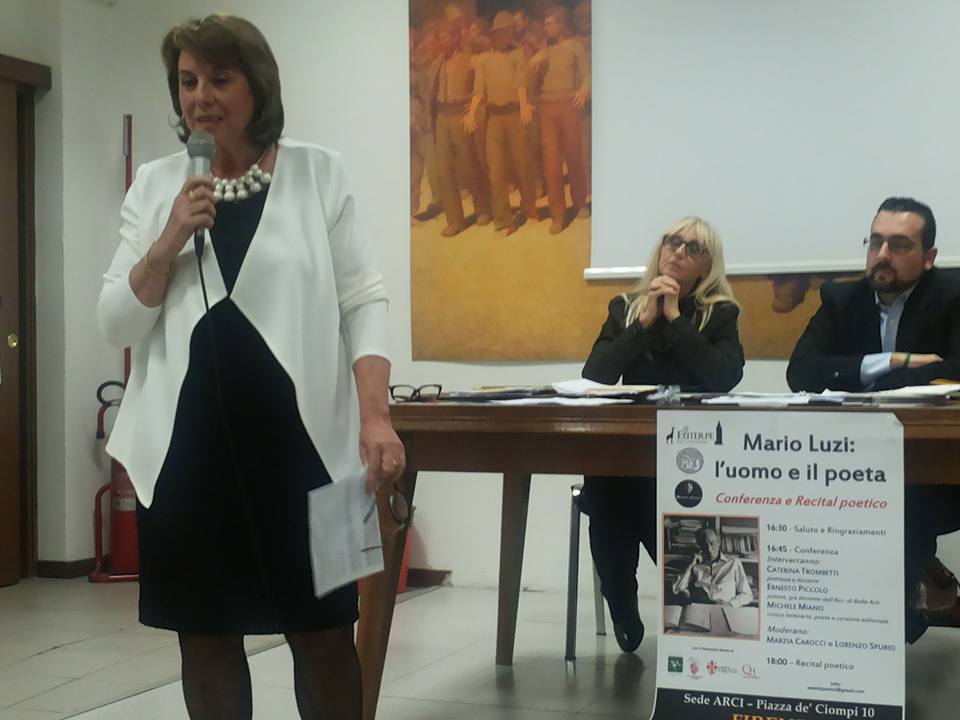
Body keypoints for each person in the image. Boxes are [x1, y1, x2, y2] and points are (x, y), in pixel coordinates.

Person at [96, 15, 404, 719]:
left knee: (325, 635)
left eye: (219, 79)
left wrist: (376, 417)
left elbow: (364, 300)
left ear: (257, 86)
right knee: (205, 638)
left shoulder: (319, 172)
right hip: (183, 456)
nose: (200, 96)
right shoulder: (156, 185)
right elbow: (115, 321)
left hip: (312, 453)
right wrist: (167, 241)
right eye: (187, 81)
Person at [787, 196, 960, 642]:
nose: (882, 255)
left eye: (899, 245)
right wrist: (894, 361)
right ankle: (884, 620)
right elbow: (801, 372)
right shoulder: (841, 298)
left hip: (937, 467)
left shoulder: (952, 295)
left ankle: (887, 626)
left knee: (905, 507)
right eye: (875, 242)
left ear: (928, 257)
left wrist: (867, 379)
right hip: (854, 462)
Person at [581, 217, 744, 652]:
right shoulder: (624, 307)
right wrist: (645, 322)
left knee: (657, 505)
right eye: (673, 243)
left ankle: (690, 620)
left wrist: (674, 318)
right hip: (629, 451)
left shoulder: (719, 313)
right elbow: (595, 375)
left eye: (693, 248)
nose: (679, 252)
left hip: (691, 453)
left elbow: (724, 376)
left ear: (707, 265)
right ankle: (622, 605)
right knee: (608, 492)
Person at [465, 11, 537, 233]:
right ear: (494, 35)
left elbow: (520, 83)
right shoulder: (484, 60)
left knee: (521, 164)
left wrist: (523, 105)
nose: (505, 36)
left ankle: (530, 209)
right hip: (494, 118)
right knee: (495, 170)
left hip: (515, 114)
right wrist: (472, 114)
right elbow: (479, 90)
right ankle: (503, 218)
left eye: (508, 32)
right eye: (500, 33)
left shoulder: (517, 55)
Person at [529, 6, 590, 234]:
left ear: (561, 24)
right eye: (544, 24)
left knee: (574, 156)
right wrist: (533, 65)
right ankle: (558, 215)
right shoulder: (542, 52)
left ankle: (580, 203)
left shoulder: (575, 46)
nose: (545, 28)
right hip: (547, 109)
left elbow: (587, 74)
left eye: (549, 23)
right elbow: (530, 86)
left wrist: (583, 91)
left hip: (569, 106)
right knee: (551, 163)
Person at [429, 20, 492, 236]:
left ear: (456, 37)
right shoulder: (437, 63)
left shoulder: (470, 60)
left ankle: (483, 209)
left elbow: (483, 85)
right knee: (444, 169)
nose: (440, 41)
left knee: (469, 165)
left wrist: (476, 107)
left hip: (460, 116)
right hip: (442, 116)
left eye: (444, 37)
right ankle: (455, 220)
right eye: (439, 37)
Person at [671, 528, 753, 608]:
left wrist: (730, 604)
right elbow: (676, 589)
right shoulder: (696, 565)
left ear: (719, 542)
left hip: (725, 608)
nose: (709, 549)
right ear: (700, 546)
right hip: (700, 608)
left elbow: (747, 595)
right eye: (704, 545)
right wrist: (691, 564)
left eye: (711, 543)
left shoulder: (733, 562)